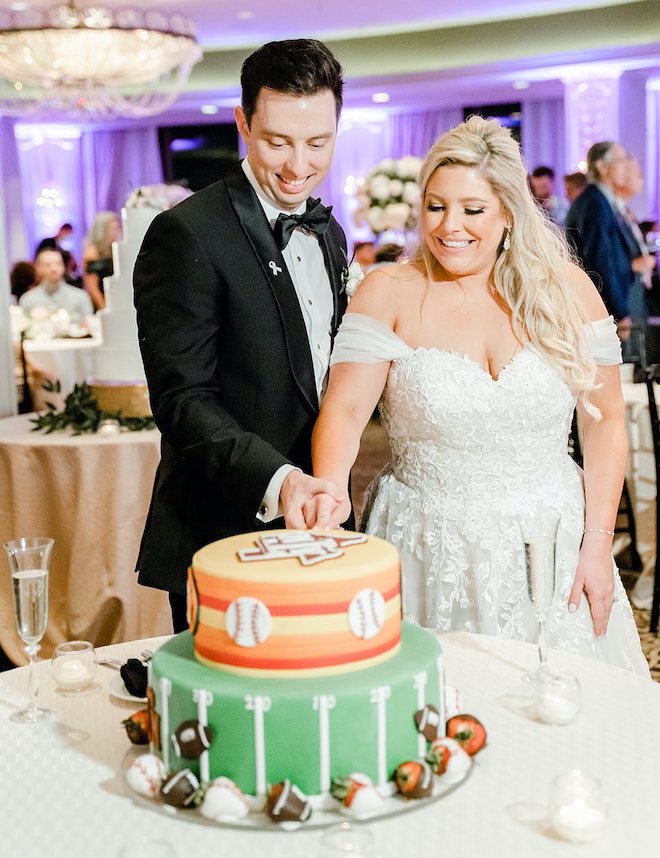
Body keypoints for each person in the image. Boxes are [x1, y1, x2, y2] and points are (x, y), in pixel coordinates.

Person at [304, 115, 649, 676]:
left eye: (472, 209)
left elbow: (606, 419)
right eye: (436, 206)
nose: (449, 227)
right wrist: (330, 495)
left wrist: (599, 544)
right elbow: (343, 410)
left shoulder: (567, 289)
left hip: (552, 541)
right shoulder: (389, 290)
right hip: (424, 542)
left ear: (509, 212)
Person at [133, 38, 349, 632]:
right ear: (243, 124)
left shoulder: (330, 234)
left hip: (325, 521)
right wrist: (280, 484)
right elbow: (183, 400)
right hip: (225, 526)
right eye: (278, 141)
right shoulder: (186, 234)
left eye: (318, 142)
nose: (298, 164)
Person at [565, 141, 640, 335]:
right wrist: (619, 313)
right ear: (602, 166)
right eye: (621, 160)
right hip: (600, 312)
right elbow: (601, 263)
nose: (626, 167)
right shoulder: (594, 204)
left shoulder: (600, 200)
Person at [19, 248, 93, 318]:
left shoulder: (80, 297)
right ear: (38, 268)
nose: (53, 269)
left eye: (58, 264)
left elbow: (88, 324)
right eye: (47, 265)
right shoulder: (27, 300)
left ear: (63, 267)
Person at [82, 211, 120, 311]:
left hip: (115, 300)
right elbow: (91, 286)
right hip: (101, 302)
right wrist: (103, 307)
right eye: (113, 230)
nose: (116, 233)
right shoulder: (92, 252)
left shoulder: (114, 249)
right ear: (103, 231)